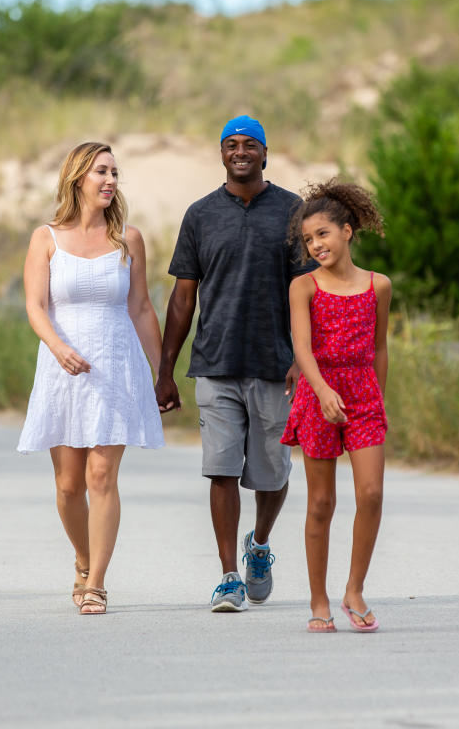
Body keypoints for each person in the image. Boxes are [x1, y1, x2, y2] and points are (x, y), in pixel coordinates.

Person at [157, 115, 316, 612]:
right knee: (220, 470)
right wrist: (166, 369)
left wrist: (300, 359)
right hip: (216, 361)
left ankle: (260, 545)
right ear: (221, 153)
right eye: (231, 144)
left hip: (276, 365)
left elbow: (309, 293)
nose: (240, 151)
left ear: (265, 153)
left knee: (272, 472)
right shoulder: (200, 215)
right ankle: (228, 575)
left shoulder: (294, 212)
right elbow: (183, 298)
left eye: (250, 144)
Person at [17, 141, 164, 616]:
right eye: (101, 171)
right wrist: (58, 349)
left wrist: (161, 374)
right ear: (77, 177)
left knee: (102, 475)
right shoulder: (46, 238)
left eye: (115, 173)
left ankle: (96, 582)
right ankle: (82, 556)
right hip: (62, 368)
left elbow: (141, 308)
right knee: (67, 485)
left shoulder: (129, 240)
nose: (110, 181)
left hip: (116, 366)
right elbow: (35, 307)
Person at [282, 180, 391, 633]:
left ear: (347, 231)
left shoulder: (378, 285)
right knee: (321, 502)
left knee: (371, 494)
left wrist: (378, 400)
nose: (315, 245)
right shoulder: (303, 286)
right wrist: (323, 391)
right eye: (308, 239)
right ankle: (318, 598)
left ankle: (354, 589)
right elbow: (302, 348)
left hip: (363, 396)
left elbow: (380, 346)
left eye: (322, 234)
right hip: (317, 394)